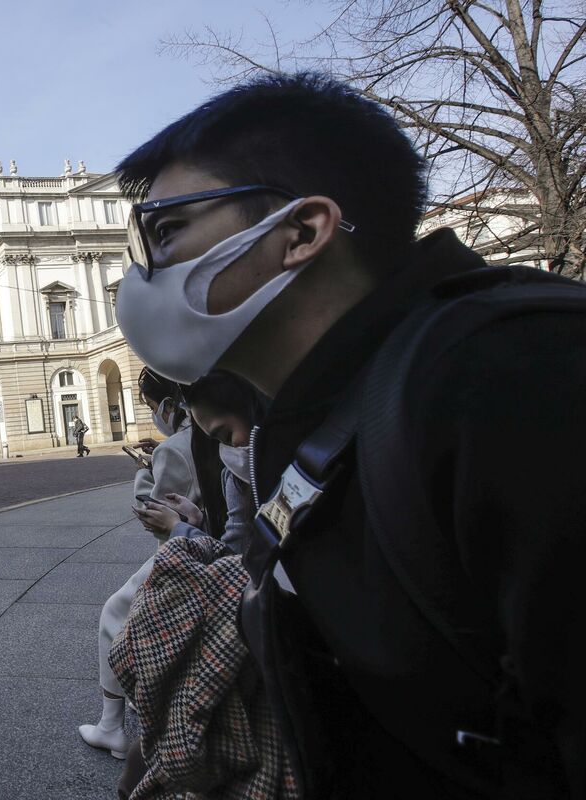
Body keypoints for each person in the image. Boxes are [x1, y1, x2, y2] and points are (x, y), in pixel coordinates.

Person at [115, 72, 583, 797]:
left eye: (167, 231)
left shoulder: (518, 373)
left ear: (302, 232)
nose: (142, 273)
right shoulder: (316, 412)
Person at [79, 368, 201, 760]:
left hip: (186, 551)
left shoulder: (175, 448)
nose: (153, 414)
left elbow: (155, 516)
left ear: (168, 404)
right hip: (205, 543)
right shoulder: (200, 436)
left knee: (114, 613)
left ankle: (110, 726)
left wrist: (144, 473)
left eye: (151, 406)